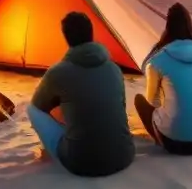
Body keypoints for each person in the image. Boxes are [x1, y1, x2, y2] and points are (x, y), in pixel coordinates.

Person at [27, 12, 135, 177]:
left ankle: (53, 153)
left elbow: (39, 105)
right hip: (124, 156)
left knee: (31, 109)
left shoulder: (58, 72)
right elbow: (121, 108)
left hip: (81, 164)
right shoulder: (114, 69)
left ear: (66, 37)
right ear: (91, 34)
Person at [134, 2, 192, 155]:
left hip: (178, 143)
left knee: (139, 101)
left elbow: (152, 101)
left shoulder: (158, 59)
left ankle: (159, 138)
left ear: (167, 26)